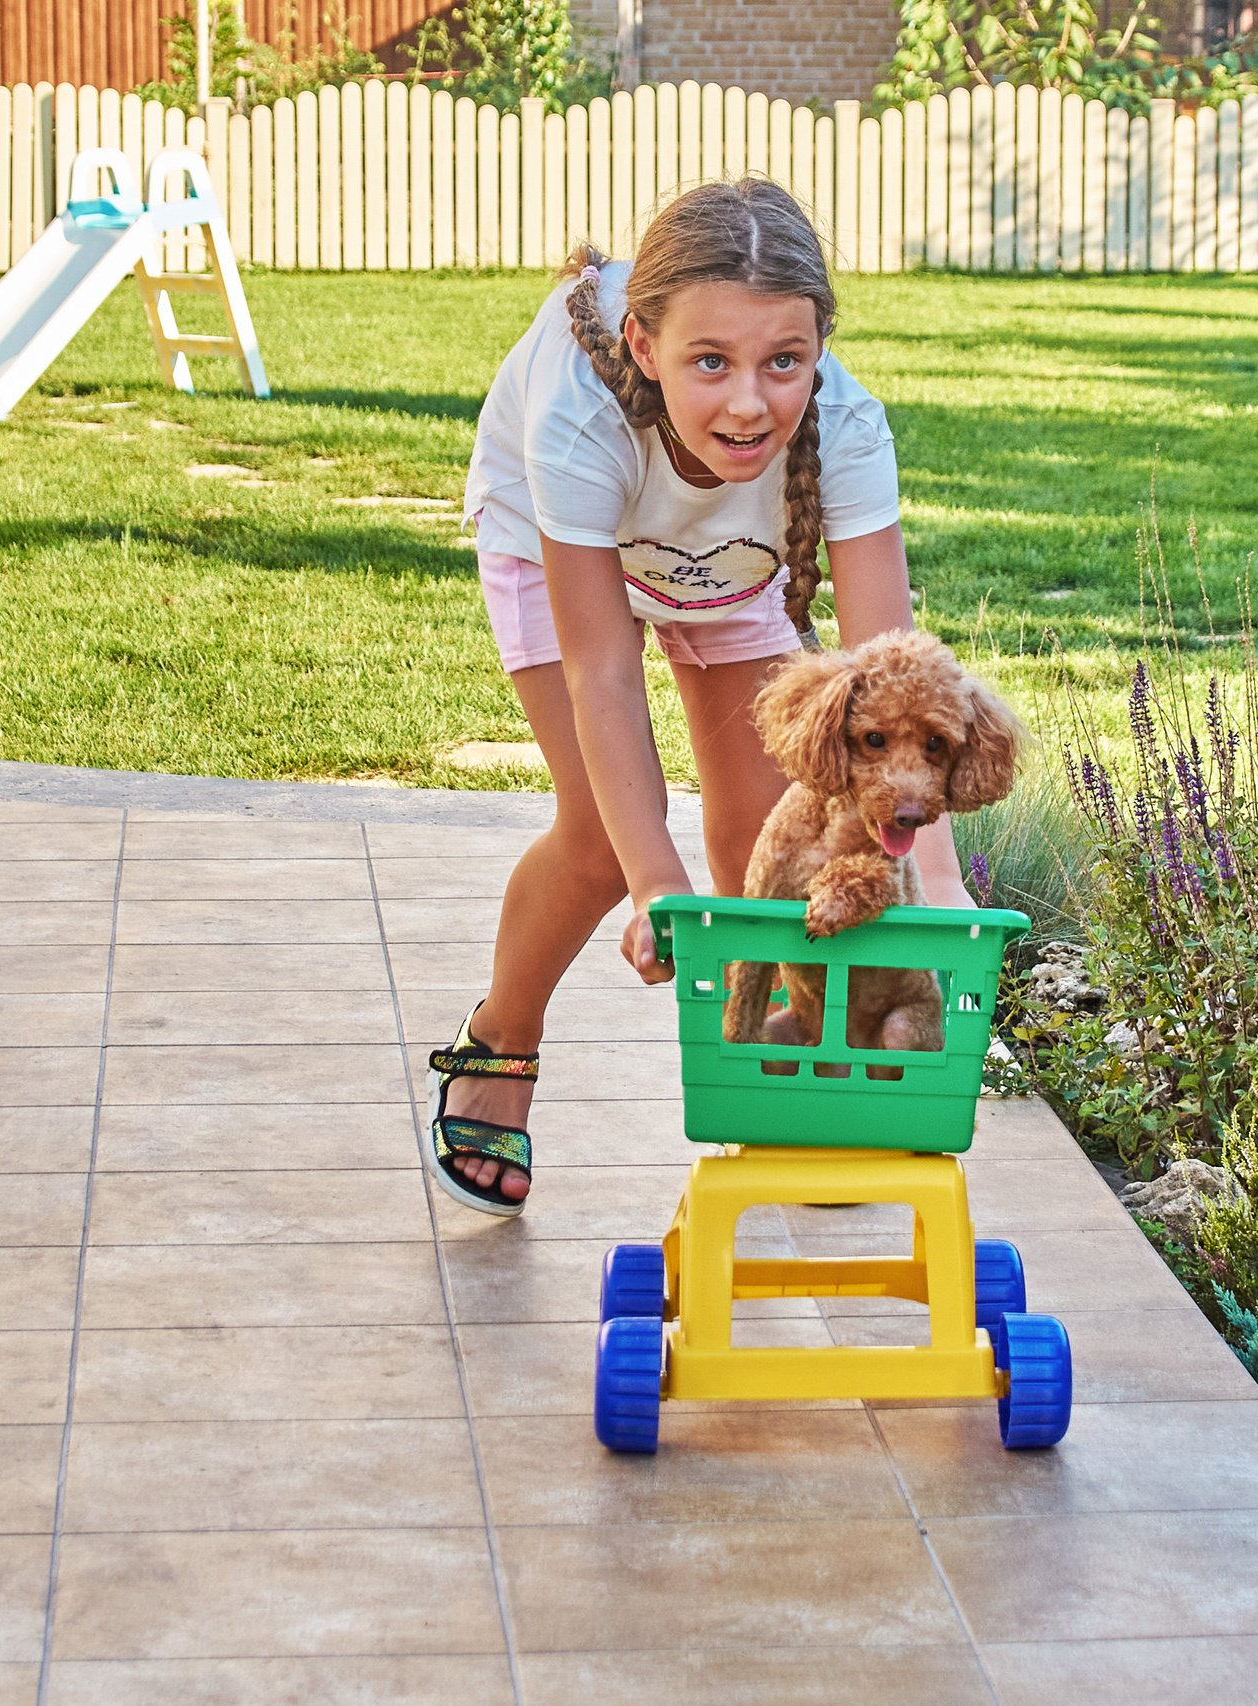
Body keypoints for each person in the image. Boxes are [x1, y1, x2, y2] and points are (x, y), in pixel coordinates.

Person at [431, 178, 968, 1218]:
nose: (749, 402)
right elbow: (601, 670)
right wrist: (654, 887)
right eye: (710, 362)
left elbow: (893, 681)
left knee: (777, 831)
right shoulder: (576, 418)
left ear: (820, 349)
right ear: (644, 345)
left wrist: (935, 882)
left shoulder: (848, 430)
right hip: (558, 539)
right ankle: (503, 1035)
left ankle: (776, 1074)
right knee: (601, 838)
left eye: (784, 362)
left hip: (729, 560)